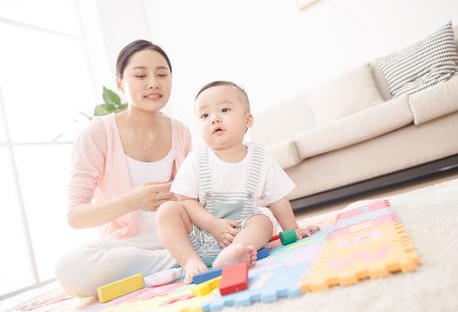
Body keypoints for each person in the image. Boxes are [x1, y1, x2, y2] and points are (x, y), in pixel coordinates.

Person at [54, 40, 191, 297]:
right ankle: (179, 262)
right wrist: (132, 201)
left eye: (162, 74)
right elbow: (76, 216)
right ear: (120, 84)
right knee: (71, 267)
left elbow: (194, 197)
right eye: (140, 75)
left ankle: (183, 257)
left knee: (259, 216)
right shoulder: (98, 133)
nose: (153, 82)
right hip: (129, 247)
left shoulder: (180, 132)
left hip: (178, 235)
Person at [156, 81, 320, 283]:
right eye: (205, 115)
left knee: (263, 221)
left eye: (224, 109)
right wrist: (213, 225)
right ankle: (190, 262)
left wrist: (293, 229)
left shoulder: (261, 158)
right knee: (167, 210)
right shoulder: (196, 160)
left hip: (241, 234)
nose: (214, 119)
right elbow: (185, 200)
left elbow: (278, 199)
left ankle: (231, 255)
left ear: (247, 120)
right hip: (201, 234)